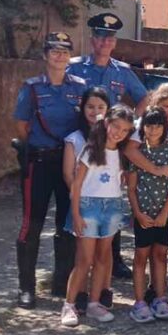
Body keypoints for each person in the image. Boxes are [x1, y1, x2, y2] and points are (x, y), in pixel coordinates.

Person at [68, 12, 152, 279]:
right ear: (92, 40)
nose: (105, 42)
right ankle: (75, 264)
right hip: (82, 141)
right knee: (79, 196)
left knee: (111, 198)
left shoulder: (122, 71)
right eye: (100, 37)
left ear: (114, 43)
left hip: (112, 146)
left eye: (110, 38)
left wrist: (130, 126)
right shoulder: (74, 67)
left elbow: (144, 98)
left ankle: (112, 261)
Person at [13, 32, 87, 308]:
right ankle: (26, 288)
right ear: (45, 55)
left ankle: (61, 282)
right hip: (40, 163)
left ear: (70, 56)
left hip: (68, 163)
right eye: (54, 51)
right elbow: (21, 125)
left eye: (65, 51)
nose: (59, 56)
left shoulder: (79, 87)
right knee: (31, 224)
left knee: (66, 224)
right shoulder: (31, 88)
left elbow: (87, 118)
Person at [61, 105, 135, 327]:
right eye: (116, 127)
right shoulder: (91, 149)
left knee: (103, 258)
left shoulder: (121, 154)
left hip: (112, 208)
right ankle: (69, 304)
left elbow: (120, 180)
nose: (118, 133)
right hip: (88, 207)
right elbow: (77, 184)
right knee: (84, 260)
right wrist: (76, 214)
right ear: (106, 123)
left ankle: (94, 303)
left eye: (124, 130)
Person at [126, 83, 168, 316]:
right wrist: (155, 169)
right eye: (166, 106)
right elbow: (130, 153)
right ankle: (152, 292)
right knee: (146, 250)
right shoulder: (144, 124)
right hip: (147, 195)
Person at [62, 87, 114, 314]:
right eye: (90, 107)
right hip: (84, 203)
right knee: (83, 255)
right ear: (83, 108)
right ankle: (77, 296)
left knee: (105, 252)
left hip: (108, 203)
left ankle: (101, 291)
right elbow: (68, 174)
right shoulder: (75, 139)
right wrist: (79, 201)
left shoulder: (113, 139)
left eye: (101, 107)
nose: (95, 111)